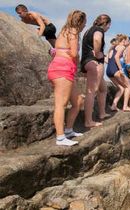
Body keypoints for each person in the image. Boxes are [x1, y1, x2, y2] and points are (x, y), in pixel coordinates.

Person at [47, 10, 86, 146]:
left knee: (78, 100)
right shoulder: (73, 32)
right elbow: (74, 53)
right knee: (61, 104)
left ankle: (68, 130)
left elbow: (58, 50)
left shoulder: (64, 31)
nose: (84, 26)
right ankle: (60, 137)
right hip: (62, 70)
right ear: (80, 22)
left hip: (63, 69)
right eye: (84, 23)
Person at [81, 14, 111, 127]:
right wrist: (97, 53)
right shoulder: (99, 30)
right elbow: (97, 39)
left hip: (86, 62)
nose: (108, 28)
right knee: (91, 91)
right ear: (106, 24)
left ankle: (102, 113)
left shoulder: (88, 30)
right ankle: (88, 121)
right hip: (95, 63)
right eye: (109, 26)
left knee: (103, 89)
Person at [106, 34, 130, 111]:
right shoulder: (122, 47)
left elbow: (107, 58)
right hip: (115, 69)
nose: (128, 42)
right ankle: (125, 106)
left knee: (121, 88)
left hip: (108, 70)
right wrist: (120, 69)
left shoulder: (113, 47)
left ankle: (114, 105)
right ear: (123, 41)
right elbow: (116, 57)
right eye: (127, 40)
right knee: (128, 85)